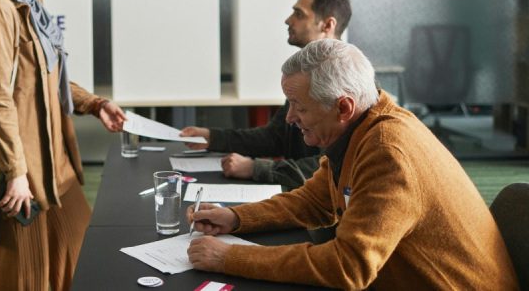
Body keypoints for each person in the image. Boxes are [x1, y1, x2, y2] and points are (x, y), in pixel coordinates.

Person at [186, 39, 519, 290]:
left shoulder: (387, 153)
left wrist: (228, 257)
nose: (289, 118)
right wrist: (237, 217)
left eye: (299, 106)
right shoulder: (362, 128)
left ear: (343, 107)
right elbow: (314, 200)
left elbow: (349, 266)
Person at [0, 0, 126, 291]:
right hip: (23, 167)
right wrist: (15, 172)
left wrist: (94, 104)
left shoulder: (28, 5)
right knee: (30, 273)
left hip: (54, 163)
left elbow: (48, 76)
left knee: (78, 249)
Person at [181, 0, 351, 190]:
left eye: (299, 14)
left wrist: (257, 168)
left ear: (327, 25)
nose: (288, 20)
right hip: (300, 199)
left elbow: (333, 166)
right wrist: (212, 137)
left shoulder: (348, 82)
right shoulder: (307, 73)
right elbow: (275, 137)